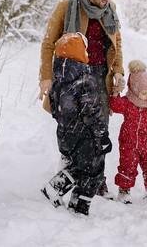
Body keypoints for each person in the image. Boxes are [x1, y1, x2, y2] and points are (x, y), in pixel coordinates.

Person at [38, 0, 124, 197]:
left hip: (101, 76)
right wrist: (46, 76)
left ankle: (97, 181)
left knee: (99, 129)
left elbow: (117, 43)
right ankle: (70, 174)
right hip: (72, 76)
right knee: (74, 130)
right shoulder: (67, 7)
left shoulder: (111, 10)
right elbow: (48, 43)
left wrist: (118, 71)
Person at [41, 32, 113, 215]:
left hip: (65, 133)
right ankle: (73, 201)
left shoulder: (58, 80)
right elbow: (92, 111)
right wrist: (102, 134)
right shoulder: (85, 80)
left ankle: (74, 202)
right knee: (92, 169)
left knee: (81, 166)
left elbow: (54, 109)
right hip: (85, 134)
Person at [109, 60, 147, 204]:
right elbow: (115, 105)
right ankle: (124, 192)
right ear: (135, 91)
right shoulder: (128, 102)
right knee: (127, 166)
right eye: (144, 93)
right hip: (128, 143)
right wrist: (116, 92)